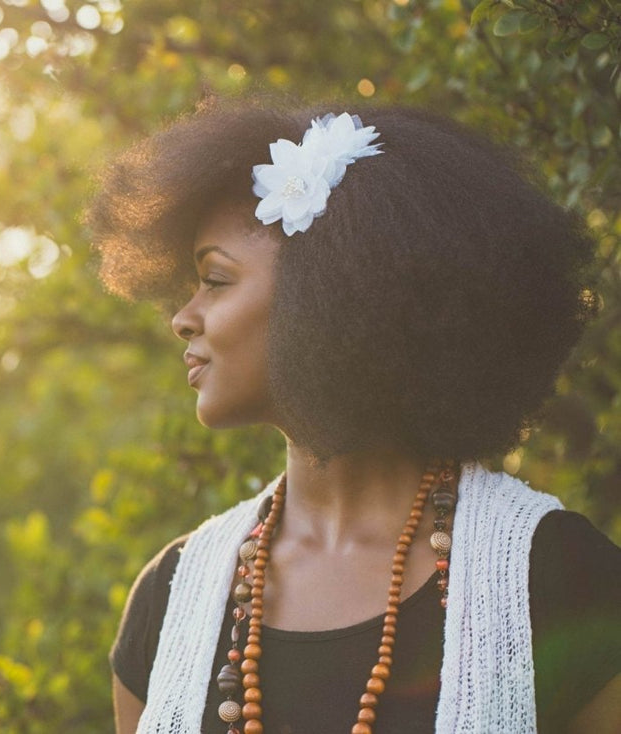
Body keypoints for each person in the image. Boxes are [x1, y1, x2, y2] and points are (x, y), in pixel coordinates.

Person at [85, 99, 621, 734]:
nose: (184, 317)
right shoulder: (169, 597)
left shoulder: (561, 576)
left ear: (330, 295)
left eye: (216, 280)